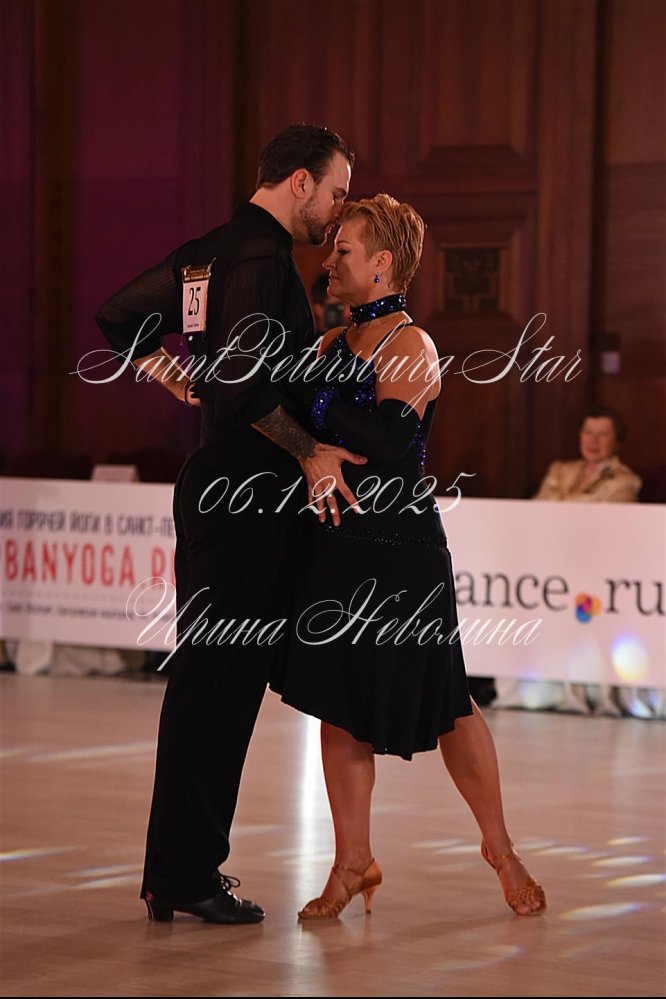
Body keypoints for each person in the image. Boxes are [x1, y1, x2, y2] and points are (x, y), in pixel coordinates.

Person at [95, 124, 362, 924]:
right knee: (220, 687)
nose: (338, 211)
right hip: (244, 491)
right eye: (337, 192)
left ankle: (176, 872)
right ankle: (185, 874)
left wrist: (169, 371)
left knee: (210, 682)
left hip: (221, 486)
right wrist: (311, 452)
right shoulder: (261, 259)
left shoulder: (207, 254)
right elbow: (246, 393)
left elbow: (118, 315)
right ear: (300, 182)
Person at [269, 194, 547, 919]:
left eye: (344, 251)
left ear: (383, 263)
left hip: (402, 551)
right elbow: (289, 415)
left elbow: (387, 441)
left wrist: (309, 398)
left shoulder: (410, 345)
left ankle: (500, 847)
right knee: (337, 700)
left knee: (448, 701)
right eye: (331, 249)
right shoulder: (332, 344)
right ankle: (352, 861)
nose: (329, 262)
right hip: (336, 541)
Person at [495, 408, 647, 717]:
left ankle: (588, 693)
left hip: (596, 570)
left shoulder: (626, 480)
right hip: (551, 567)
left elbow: (600, 520)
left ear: (616, 441)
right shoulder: (559, 470)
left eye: (603, 434)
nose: (593, 441)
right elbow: (536, 509)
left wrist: (560, 511)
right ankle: (542, 689)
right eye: (588, 432)